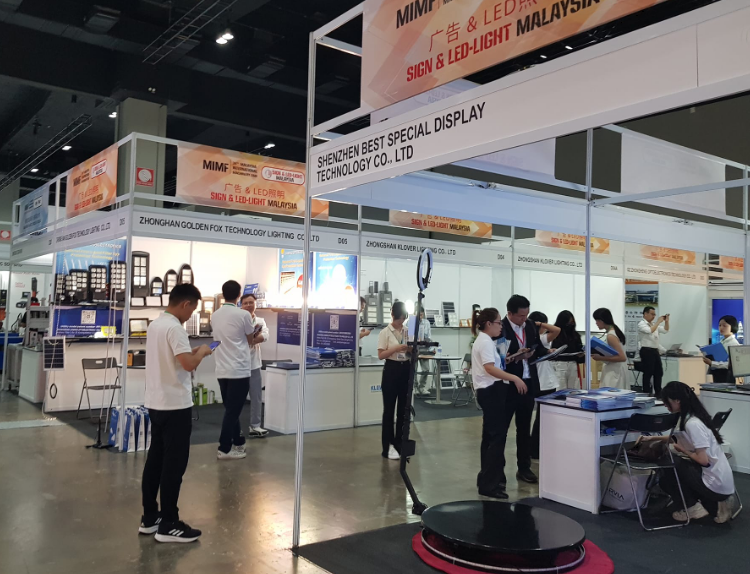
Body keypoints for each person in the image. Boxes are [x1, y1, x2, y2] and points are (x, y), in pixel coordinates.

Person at [140, 284, 213, 543]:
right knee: (174, 465)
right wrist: (202, 351)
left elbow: (175, 359)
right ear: (185, 304)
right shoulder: (175, 328)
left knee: (155, 460)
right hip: (175, 405)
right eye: (192, 309)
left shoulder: (156, 325)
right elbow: (188, 364)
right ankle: (169, 522)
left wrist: (191, 353)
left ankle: (151, 517)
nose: (191, 314)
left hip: (156, 402)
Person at [640, 381, 735, 523]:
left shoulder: (692, 424)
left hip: (714, 483)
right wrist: (652, 438)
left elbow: (703, 460)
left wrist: (683, 450)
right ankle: (712, 505)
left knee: (669, 462)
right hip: (720, 481)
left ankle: (692, 508)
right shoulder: (694, 417)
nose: (665, 405)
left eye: (666, 401)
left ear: (677, 400)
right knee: (668, 476)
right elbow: (677, 438)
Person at [472, 307, 527, 499]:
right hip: (491, 391)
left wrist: (512, 358)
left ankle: (486, 480)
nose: (501, 326)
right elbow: (490, 369)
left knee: (490, 438)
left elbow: (494, 365)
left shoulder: (485, 341)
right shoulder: (486, 342)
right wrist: (515, 378)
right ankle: (490, 484)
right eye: (498, 323)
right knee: (496, 439)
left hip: (489, 390)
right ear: (488, 324)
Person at [501, 294, 546, 484]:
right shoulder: (500, 328)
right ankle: (498, 471)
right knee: (501, 430)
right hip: (508, 385)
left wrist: (546, 352)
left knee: (524, 428)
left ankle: (524, 467)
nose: (524, 319)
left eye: (526, 315)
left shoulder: (529, 325)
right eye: (520, 316)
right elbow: (498, 359)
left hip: (528, 382)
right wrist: (515, 356)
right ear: (510, 313)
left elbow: (537, 347)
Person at [211, 281, 254, 460]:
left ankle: (238, 441)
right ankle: (224, 448)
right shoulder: (243, 315)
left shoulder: (215, 315)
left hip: (222, 368)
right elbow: (250, 339)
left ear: (223, 294)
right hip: (239, 369)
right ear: (239, 295)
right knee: (232, 412)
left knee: (231, 409)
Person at [377, 301, 411, 461]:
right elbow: (381, 355)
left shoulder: (407, 331)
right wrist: (396, 348)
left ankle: (400, 443)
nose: (401, 323)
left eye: (403, 319)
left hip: (405, 369)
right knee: (389, 411)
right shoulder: (385, 332)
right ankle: (387, 447)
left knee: (403, 410)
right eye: (399, 319)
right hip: (391, 370)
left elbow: (412, 351)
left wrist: (410, 349)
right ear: (393, 316)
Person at [528, 311, 560, 459]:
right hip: (542, 383)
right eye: (543, 325)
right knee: (542, 418)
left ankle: (537, 448)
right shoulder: (539, 338)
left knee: (543, 418)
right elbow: (557, 330)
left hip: (545, 381)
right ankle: (535, 449)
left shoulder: (538, 339)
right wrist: (538, 324)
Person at [240, 293, 270, 437]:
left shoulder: (260, 321)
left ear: (256, 304)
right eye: (245, 303)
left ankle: (255, 426)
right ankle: (235, 428)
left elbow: (265, 335)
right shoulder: (238, 320)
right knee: (237, 398)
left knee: (256, 397)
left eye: (251, 302)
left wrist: (254, 339)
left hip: (254, 364)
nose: (248, 305)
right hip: (239, 365)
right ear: (241, 305)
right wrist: (250, 339)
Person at [592, 308, 629, 389]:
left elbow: (622, 357)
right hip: (617, 369)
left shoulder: (611, 336)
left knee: (610, 394)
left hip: (614, 371)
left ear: (602, 321)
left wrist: (600, 357)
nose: (596, 323)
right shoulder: (615, 331)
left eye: (597, 320)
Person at [638, 306, 669, 395]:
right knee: (648, 372)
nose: (654, 316)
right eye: (652, 314)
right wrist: (658, 322)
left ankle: (658, 392)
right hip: (646, 350)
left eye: (655, 314)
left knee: (659, 372)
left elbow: (665, 330)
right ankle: (646, 392)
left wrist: (666, 321)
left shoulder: (654, 324)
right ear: (645, 314)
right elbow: (649, 331)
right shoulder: (641, 324)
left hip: (655, 350)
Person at [549, 310, 584, 389]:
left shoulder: (575, 335)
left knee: (573, 388)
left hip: (572, 363)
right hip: (559, 363)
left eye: (572, 322)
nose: (570, 325)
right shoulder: (554, 334)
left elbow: (579, 349)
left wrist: (581, 355)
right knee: (560, 388)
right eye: (568, 323)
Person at [704, 315, 740, 383]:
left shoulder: (733, 343)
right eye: (720, 325)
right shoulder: (723, 342)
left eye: (724, 325)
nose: (721, 328)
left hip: (726, 376)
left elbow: (730, 365)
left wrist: (712, 363)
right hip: (718, 374)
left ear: (732, 326)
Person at [415, 307, 433, 397]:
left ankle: (422, 387)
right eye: (418, 315)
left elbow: (429, 336)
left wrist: (430, 349)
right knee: (413, 369)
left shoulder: (427, 323)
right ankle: (414, 387)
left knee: (426, 369)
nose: (420, 317)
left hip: (424, 349)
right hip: (413, 349)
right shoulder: (410, 322)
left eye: (421, 315)